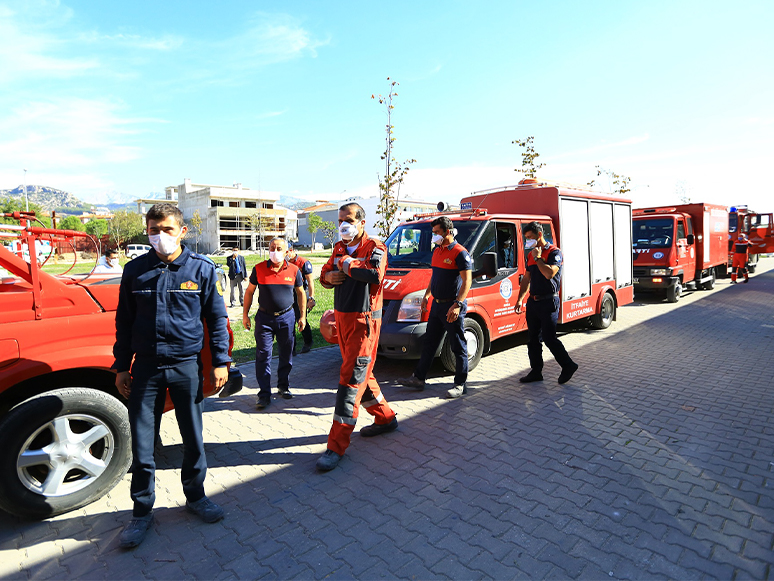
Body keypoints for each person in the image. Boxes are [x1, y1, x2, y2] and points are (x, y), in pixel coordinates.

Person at [113, 203, 230, 549]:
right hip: (146, 368)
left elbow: (217, 319)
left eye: (166, 229)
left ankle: (196, 497)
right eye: (153, 229)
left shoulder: (202, 270)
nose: (159, 236)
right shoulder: (135, 271)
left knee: (192, 438)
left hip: (186, 367)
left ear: (182, 231)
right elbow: (124, 322)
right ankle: (141, 511)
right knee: (142, 442)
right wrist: (121, 366)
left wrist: (221, 362)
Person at [316, 203, 398, 472]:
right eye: (340, 220)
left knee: (350, 381)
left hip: (364, 323)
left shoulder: (376, 246)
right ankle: (385, 418)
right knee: (363, 375)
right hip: (343, 319)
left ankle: (336, 445)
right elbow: (324, 276)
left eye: (349, 220)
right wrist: (330, 273)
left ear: (362, 222)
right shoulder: (339, 247)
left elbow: (374, 273)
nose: (343, 225)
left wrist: (347, 265)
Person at [398, 216, 473, 398]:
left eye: (437, 233)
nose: (434, 237)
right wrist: (426, 295)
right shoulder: (437, 251)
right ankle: (418, 379)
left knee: (458, 345)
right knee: (430, 343)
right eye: (433, 233)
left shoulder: (460, 253)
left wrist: (457, 304)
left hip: (451, 306)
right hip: (437, 306)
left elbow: (467, 281)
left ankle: (460, 384)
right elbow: (435, 277)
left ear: (447, 232)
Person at [242, 238, 306, 409]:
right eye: (272, 248)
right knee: (263, 355)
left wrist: (302, 317)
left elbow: (300, 293)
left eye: (279, 248)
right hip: (264, 319)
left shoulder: (294, 270)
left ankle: (283, 386)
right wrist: (245, 315)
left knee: (286, 354)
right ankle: (264, 394)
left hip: (287, 318)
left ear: (287, 252)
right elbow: (249, 292)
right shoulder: (259, 268)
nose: (275, 251)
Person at [515, 221, 578, 384]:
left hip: (549, 301)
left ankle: (568, 365)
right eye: (526, 237)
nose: (528, 240)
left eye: (530, 237)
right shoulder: (530, 255)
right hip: (533, 302)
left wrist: (538, 258)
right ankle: (536, 371)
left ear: (540, 235)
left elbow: (549, 273)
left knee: (549, 338)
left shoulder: (554, 252)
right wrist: (520, 298)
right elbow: (527, 278)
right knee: (532, 339)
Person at [286, 242, 316, 353]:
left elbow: (310, 281)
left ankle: (308, 341)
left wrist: (311, 298)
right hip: (290, 293)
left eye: (286, 251)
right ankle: (291, 348)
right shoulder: (284, 263)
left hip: (302, 292)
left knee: (300, 317)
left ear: (291, 250)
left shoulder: (303, 262)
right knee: (289, 320)